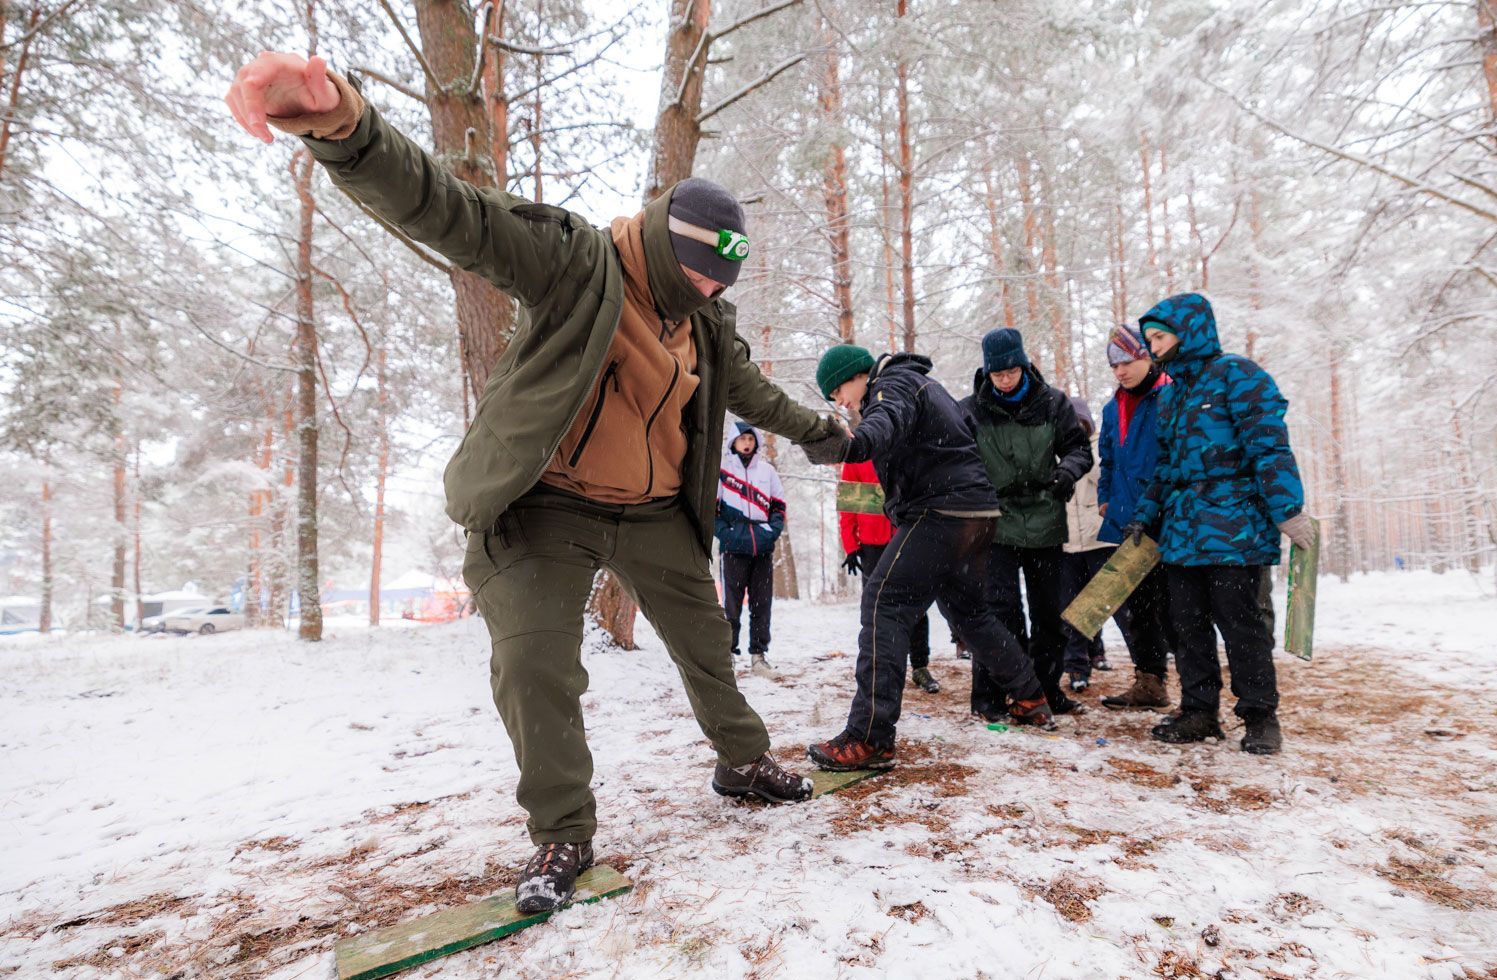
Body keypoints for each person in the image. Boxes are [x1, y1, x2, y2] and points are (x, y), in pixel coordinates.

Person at [224, 52, 852, 913]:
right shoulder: (575, 263)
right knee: (534, 666)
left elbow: (749, 389)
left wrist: (825, 436)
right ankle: (563, 831)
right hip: (547, 503)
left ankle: (742, 762)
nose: (711, 291)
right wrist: (344, 126)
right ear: (670, 246)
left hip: (653, 511)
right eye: (704, 273)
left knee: (707, 640)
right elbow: (454, 213)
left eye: (723, 282)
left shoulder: (702, 320)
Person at [800, 344, 1057, 771]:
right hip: (976, 512)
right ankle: (1030, 695)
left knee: (883, 601)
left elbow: (883, 423)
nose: (839, 402)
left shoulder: (891, 385)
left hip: (941, 511)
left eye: (837, 390)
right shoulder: (924, 384)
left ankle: (870, 738)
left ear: (855, 375)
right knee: (970, 613)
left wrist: (851, 444)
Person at [1124, 294, 1311, 755]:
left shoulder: (1239, 376)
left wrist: (1287, 510)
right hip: (1184, 532)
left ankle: (1260, 716)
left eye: (1160, 337)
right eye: (1149, 340)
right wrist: (1146, 514)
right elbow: (1166, 465)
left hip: (1236, 529)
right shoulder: (1170, 394)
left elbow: (1268, 448)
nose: (1153, 347)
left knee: (1241, 625)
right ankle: (1199, 711)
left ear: (1191, 332)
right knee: (1185, 625)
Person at [960, 328, 1093, 719]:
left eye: (1011, 371)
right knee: (1000, 613)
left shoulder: (1053, 403)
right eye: (997, 373)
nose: (1004, 379)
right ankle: (993, 696)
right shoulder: (970, 409)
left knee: (1049, 615)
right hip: (994, 525)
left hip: (1045, 518)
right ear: (987, 371)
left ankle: (1046, 691)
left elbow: (1077, 448)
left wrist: (1066, 472)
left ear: (1023, 364)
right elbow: (955, 456)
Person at [1095, 325, 1175, 710]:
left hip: (1167, 518)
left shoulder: (1170, 395)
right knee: (1138, 606)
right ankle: (1149, 683)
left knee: (1175, 606)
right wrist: (1105, 497)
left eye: (1127, 362)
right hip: (1127, 518)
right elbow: (1108, 459)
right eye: (1114, 366)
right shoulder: (1113, 407)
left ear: (1147, 357)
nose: (1121, 372)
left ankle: (1195, 690)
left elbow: (1173, 457)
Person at [839, 459, 942, 694]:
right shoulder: (859, 452)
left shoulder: (905, 443)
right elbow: (849, 504)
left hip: (908, 537)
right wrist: (851, 545)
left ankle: (919, 666)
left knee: (915, 604)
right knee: (876, 608)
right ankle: (880, 669)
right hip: (871, 544)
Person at [716, 422, 786, 680]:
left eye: (750, 438)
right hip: (733, 550)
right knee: (731, 606)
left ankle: (759, 656)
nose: (746, 443)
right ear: (733, 442)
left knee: (762, 603)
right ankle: (728, 657)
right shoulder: (722, 472)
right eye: (741, 439)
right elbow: (713, 511)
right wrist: (727, 534)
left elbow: (779, 506)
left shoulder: (767, 471)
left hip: (762, 549)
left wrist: (771, 532)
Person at [1059, 396, 1116, 693]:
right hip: (1069, 544)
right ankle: (1076, 667)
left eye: (1080, 423)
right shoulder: (1057, 452)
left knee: (1100, 604)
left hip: (1099, 540)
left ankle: (1098, 652)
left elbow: (1105, 478)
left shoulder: (1098, 449)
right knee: (1073, 608)